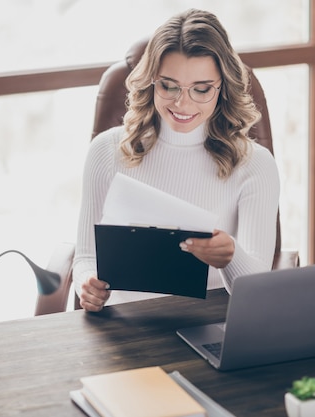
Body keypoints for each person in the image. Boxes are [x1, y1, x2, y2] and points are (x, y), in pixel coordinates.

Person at [73, 8, 280, 312]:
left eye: (201, 89)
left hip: (210, 323)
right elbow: (85, 257)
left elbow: (257, 291)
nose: (183, 103)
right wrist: (87, 284)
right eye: (168, 86)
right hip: (122, 325)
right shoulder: (106, 150)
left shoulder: (255, 165)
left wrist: (231, 256)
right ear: (151, 81)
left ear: (222, 87)